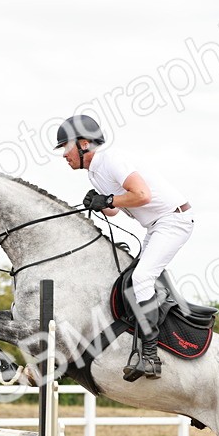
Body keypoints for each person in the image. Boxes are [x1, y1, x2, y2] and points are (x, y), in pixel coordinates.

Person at [55, 114, 193, 381]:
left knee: (141, 278)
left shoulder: (111, 160)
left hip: (173, 220)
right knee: (130, 280)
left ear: (83, 144)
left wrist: (108, 199)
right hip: (156, 226)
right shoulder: (94, 173)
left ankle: (151, 357)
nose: (64, 155)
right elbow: (115, 210)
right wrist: (101, 203)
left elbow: (142, 195)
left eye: (65, 147)